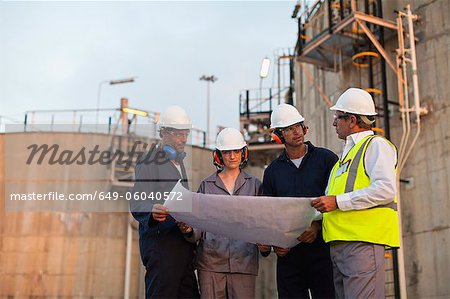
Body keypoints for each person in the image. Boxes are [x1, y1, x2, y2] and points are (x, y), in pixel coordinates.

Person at [311, 88, 400, 298]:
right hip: (338, 246)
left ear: (352, 120)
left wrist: (338, 202)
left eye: (338, 118)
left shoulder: (376, 145)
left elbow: (385, 189)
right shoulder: (341, 161)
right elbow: (330, 203)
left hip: (362, 244)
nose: (334, 123)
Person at [178, 127, 267, 299]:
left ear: (243, 153)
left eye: (236, 151)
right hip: (210, 264)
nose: (232, 156)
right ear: (219, 155)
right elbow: (198, 223)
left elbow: (263, 222)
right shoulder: (207, 185)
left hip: (244, 261)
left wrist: (265, 246)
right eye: (227, 152)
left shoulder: (255, 185)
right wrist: (188, 230)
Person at [262, 103, 337, 299]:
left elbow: (339, 202)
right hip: (289, 259)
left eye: (298, 126)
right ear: (278, 135)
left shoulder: (326, 160)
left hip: (323, 254)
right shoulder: (272, 172)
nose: (296, 132)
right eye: (289, 129)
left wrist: (317, 228)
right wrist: (276, 243)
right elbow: (269, 214)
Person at [130, 105, 199, 298]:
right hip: (162, 249)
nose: (184, 139)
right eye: (178, 134)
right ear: (163, 133)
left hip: (182, 249)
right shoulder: (149, 161)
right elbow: (136, 202)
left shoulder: (179, 163)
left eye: (186, 134)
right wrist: (151, 210)